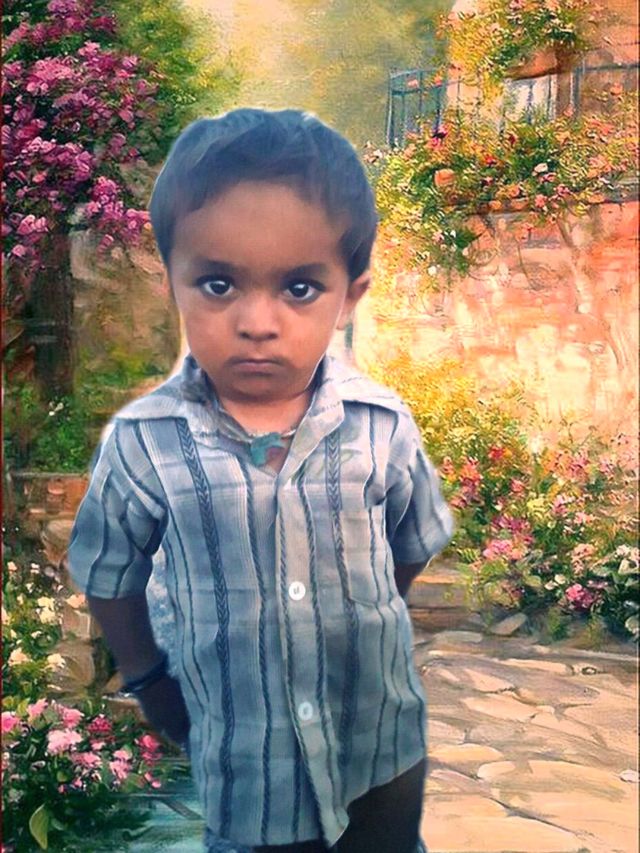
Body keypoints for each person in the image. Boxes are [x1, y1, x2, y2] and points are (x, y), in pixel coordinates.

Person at [67, 108, 454, 853]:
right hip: (251, 774)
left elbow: (409, 543)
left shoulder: (380, 424)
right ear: (172, 282)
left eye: (300, 288)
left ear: (351, 295)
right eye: (218, 283)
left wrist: (361, 620)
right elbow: (108, 571)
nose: (257, 322)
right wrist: (148, 678)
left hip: (380, 751)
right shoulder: (146, 443)